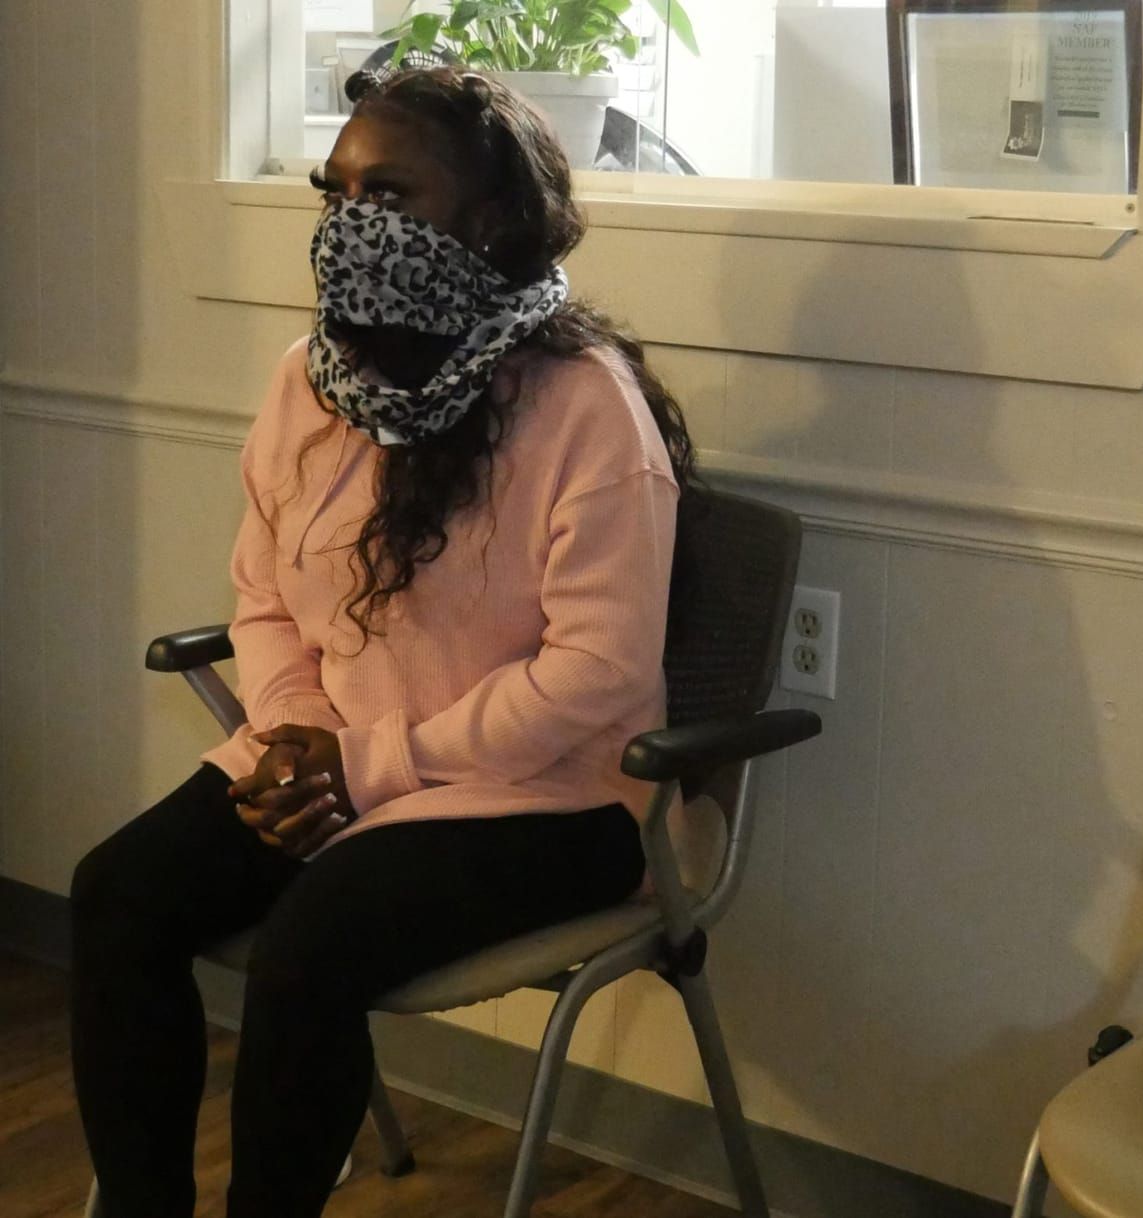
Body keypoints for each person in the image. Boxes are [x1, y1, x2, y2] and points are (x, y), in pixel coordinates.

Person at [67, 67, 694, 1218]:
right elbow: (263, 594)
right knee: (117, 896)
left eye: (391, 196)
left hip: (548, 799)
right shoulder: (308, 382)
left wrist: (364, 769)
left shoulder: (587, 407)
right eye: (337, 194)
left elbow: (594, 673)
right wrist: (294, 736)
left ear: (491, 220)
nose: (352, 225)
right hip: (335, 761)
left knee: (309, 948)